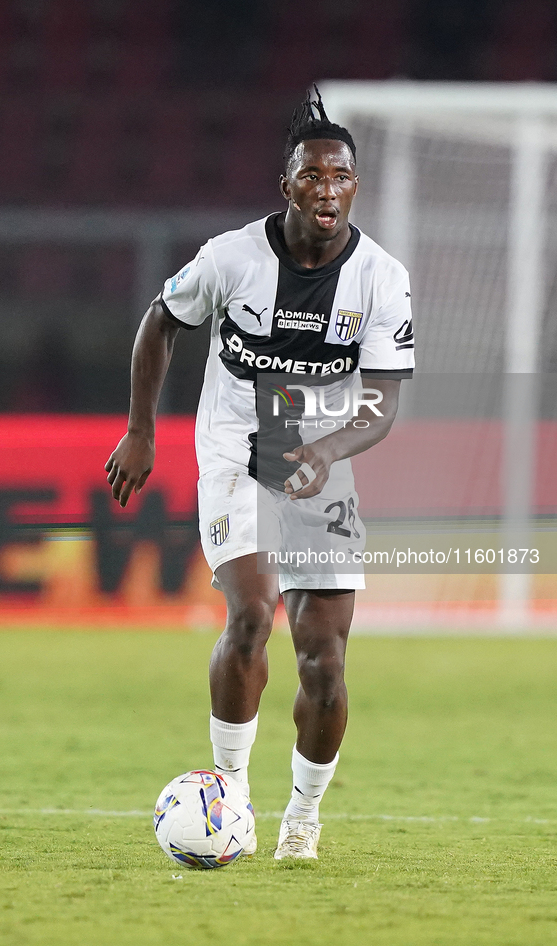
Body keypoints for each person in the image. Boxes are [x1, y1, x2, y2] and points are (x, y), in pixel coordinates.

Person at [105, 87, 414, 860]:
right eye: (311, 175)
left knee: (325, 657)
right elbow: (159, 321)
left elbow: (378, 405)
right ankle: (230, 793)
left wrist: (326, 452)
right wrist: (141, 430)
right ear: (287, 186)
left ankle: (302, 818)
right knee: (251, 614)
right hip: (236, 451)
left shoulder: (380, 277)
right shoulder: (230, 257)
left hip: (320, 460)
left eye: (339, 176)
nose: (326, 189)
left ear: (353, 185)